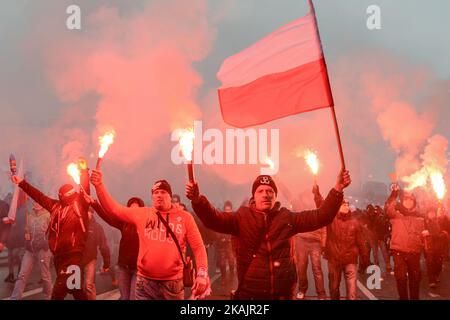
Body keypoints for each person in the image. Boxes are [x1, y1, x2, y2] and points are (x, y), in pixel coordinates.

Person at [186, 170, 351, 300]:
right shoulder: (241, 218)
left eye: (270, 191)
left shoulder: (287, 218)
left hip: (283, 295)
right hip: (251, 296)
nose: (266, 194)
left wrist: (337, 189)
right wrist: (198, 200)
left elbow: (321, 216)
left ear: (275, 196)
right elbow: (214, 219)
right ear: (254, 196)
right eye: (260, 191)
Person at [90, 171, 210, 300]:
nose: (159, 195)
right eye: (155, 193)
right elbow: (114, 209)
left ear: (170, 196)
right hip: (145, 282)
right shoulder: (142, 214)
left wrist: (202, 274)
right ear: (152, 197)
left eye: (163, 192)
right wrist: (99, 186)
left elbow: (198, 247)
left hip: (172, 284)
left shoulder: (185, 217)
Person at [11, 160, 91, 300]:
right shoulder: (55, 206)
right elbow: (38, 196)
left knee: (58, 293)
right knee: (77, 291)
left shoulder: (80, 204)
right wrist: (21, 183)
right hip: (59, 257)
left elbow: (85, 189)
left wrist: (84, 172)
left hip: (74, 256)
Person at [315, 193, 369, 300]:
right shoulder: (331, 220)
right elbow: (322, 207)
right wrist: (317, 193)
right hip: (334, 259)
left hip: (350, 260)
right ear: (338, 206)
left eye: (347, 204)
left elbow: (361, 242)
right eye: (343, 204)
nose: (346, 206)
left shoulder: (354, 223)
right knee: (334, 288)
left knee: (352, 292)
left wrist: (365, 258)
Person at [94, 197, 143, 300]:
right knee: (125, 297)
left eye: (136, 209)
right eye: (130, 208)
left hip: (139, 269)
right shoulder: (124, 223)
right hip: (123, 267)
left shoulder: (146, 224)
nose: (133, 211)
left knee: (133, 297)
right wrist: (94, 204)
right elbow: (107, 217)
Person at [385, 184, 425, 300]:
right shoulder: (396, 215)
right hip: (399, 252)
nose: (408, 202)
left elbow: (422, 235)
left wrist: (424, 238)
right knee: (401, 278)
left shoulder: (420, 218)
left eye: (411, 200)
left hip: (414, 252)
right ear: (402, 201)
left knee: (415, 279)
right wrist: (394, 194)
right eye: (406, 199)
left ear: (414, 202)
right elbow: (388, 208)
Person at [10, 202, 53, 299]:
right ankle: (15, 297)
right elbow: (27, 229)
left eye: (38, 202)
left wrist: (46, 243)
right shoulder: (30, 215)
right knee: (22, 274)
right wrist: (26, 233)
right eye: (34, 202)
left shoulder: (48, 215)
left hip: (43, 250)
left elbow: (53, 232)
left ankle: (49, 295)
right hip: (30, 250)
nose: (36, 204)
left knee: (45, 275)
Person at [294, 184, 327, 300]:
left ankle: (321, 293)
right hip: (301, 239)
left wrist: (323, 243)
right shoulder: (298, 207)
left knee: (317, 268)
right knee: (301, 267)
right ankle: (302, 289)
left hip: (315, 241)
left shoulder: (319, 206)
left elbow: (324, 226)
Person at [81, 207, 111, 300]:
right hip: (77, 260)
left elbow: (104, 246)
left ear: (92, 214)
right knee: (78, 287)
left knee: (89, 285)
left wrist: (106, 264)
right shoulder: (77, 224)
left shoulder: (97, 227)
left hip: (90, 259)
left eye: (89, 212)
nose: (87, 214)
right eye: (85, 212)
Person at [215, 201, 236, 286]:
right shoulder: (221, 218)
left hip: (230, 244)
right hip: (222, 245)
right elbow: (216, 230)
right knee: (222, 263)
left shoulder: (234, 218)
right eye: (226, 209)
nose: (228, 211)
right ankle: (223, 278)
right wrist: (220, 237)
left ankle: (231, 275)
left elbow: (236, 230)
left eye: (229, 209)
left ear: (231, 209)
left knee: (231, 261)